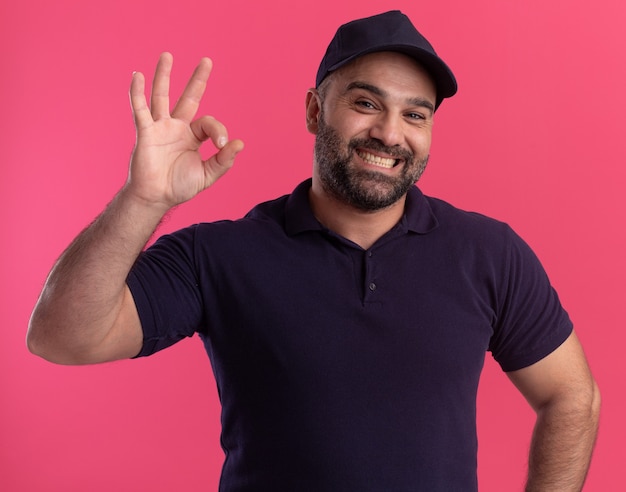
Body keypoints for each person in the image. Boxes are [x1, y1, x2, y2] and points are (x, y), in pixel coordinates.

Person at [28, 10, 600, 492]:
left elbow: (572, 396)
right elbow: (60, 336)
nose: (391, 133)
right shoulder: (220, 255)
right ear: (313, 111)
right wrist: (143, 199)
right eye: (366, 103)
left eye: (415, 114)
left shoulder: (490, 253)